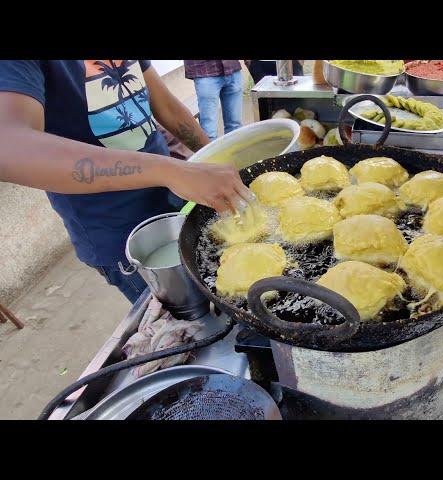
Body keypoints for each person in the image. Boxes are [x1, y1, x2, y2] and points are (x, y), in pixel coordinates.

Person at [0, 60, 254, 303]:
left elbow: (166, 106)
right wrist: (171, 171)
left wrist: (212, 159)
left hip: (171, 201)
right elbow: (9, 146)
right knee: (187, 324)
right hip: (121, 236)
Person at [184, 60, 244, 141]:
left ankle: (234, 153)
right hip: (205, 71)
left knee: (235, 126)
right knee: (209, 132)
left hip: (232, 68)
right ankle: (212, 153)